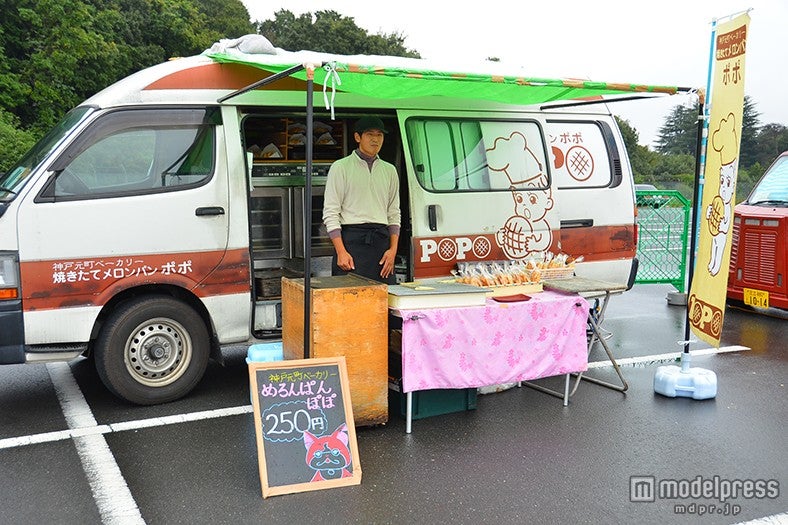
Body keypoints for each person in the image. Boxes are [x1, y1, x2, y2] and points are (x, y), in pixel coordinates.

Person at [322, 116, 401, 284]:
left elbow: (394, 213)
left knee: (382, 301)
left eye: (379, 135)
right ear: (357, 137)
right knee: (350, 301)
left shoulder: (390, 170)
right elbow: (330, 213)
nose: (375, 139)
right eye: (370, 134)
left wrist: (393, 250)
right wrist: (341, 251)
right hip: (351, 244)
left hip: (381, 244)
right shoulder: (340, 167)